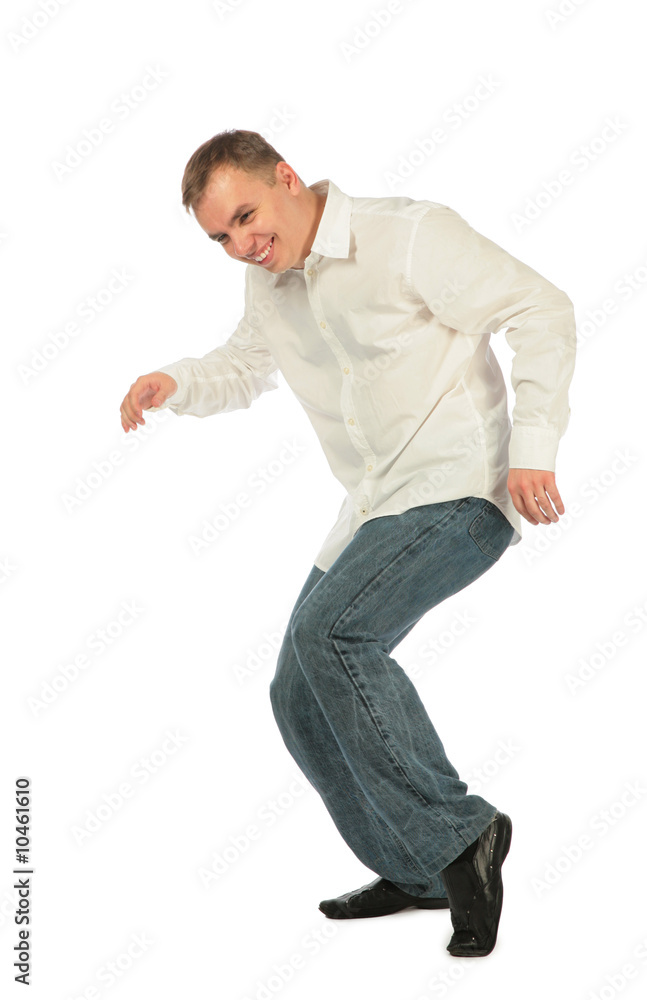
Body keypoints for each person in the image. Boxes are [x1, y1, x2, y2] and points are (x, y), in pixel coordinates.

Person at [119, 129, 576, 957]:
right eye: (220, 238)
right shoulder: (270, 284)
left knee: (332, 635)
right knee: (296, 691)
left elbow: (541, 309)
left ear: (287, 178)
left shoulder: (406, 236)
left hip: (460, 487)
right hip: (372, 506)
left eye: (247, 218)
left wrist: (532, 448)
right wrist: (175, 383)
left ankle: (460, 835)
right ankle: (413, 864)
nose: (241, 247)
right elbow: (244, 365)